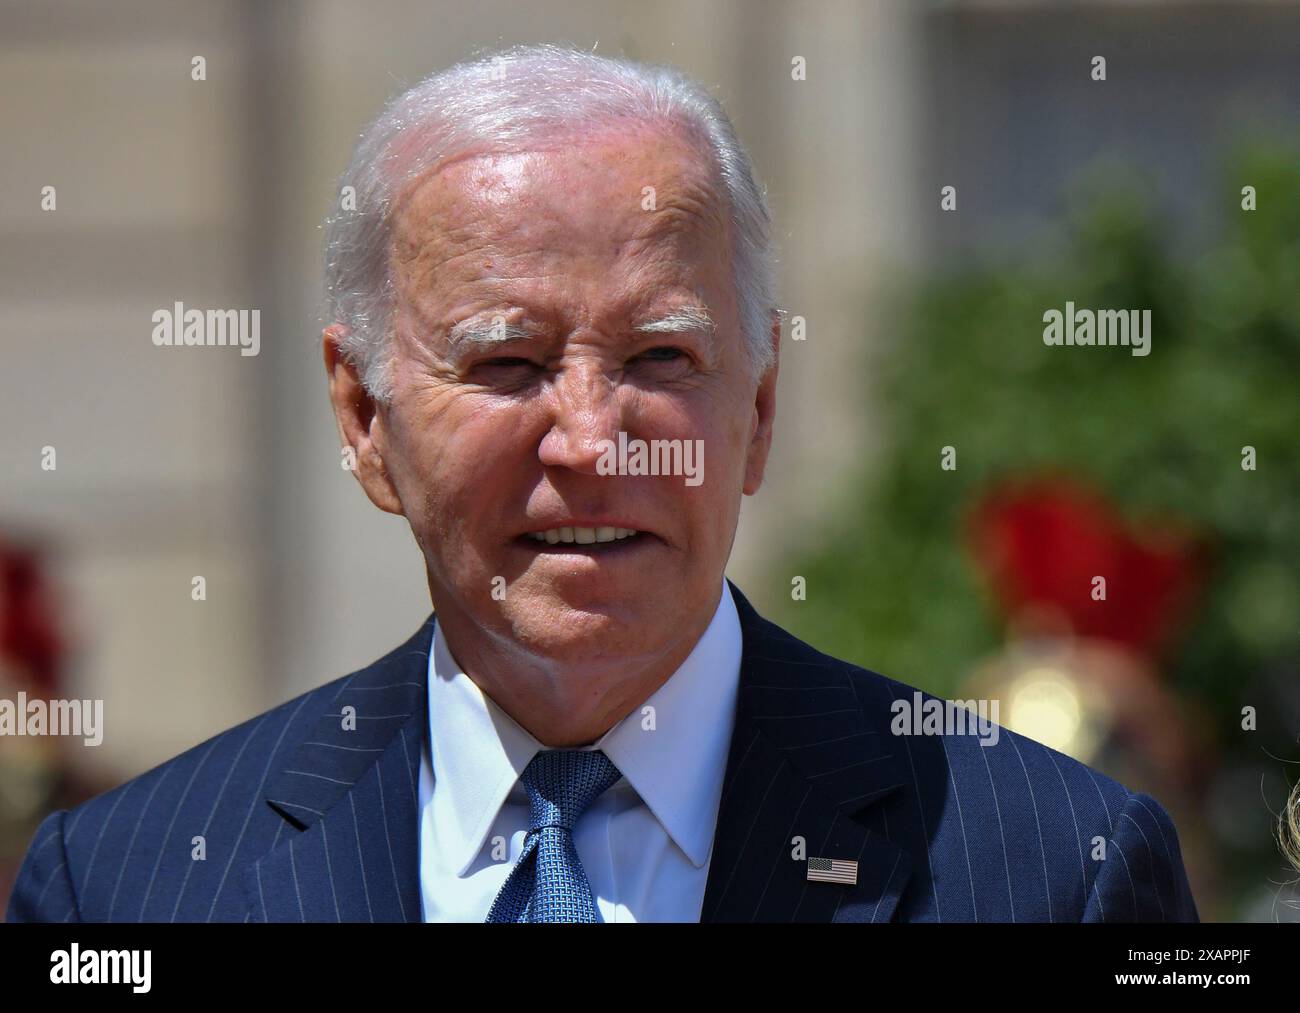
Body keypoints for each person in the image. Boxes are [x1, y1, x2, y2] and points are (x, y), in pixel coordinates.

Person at [6, 43, 1197, 923]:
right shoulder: (123, 890)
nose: (592, 440)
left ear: (760, 411)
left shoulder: (1054, 869)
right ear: (363, 417)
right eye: (509, 361)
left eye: (660, 358)